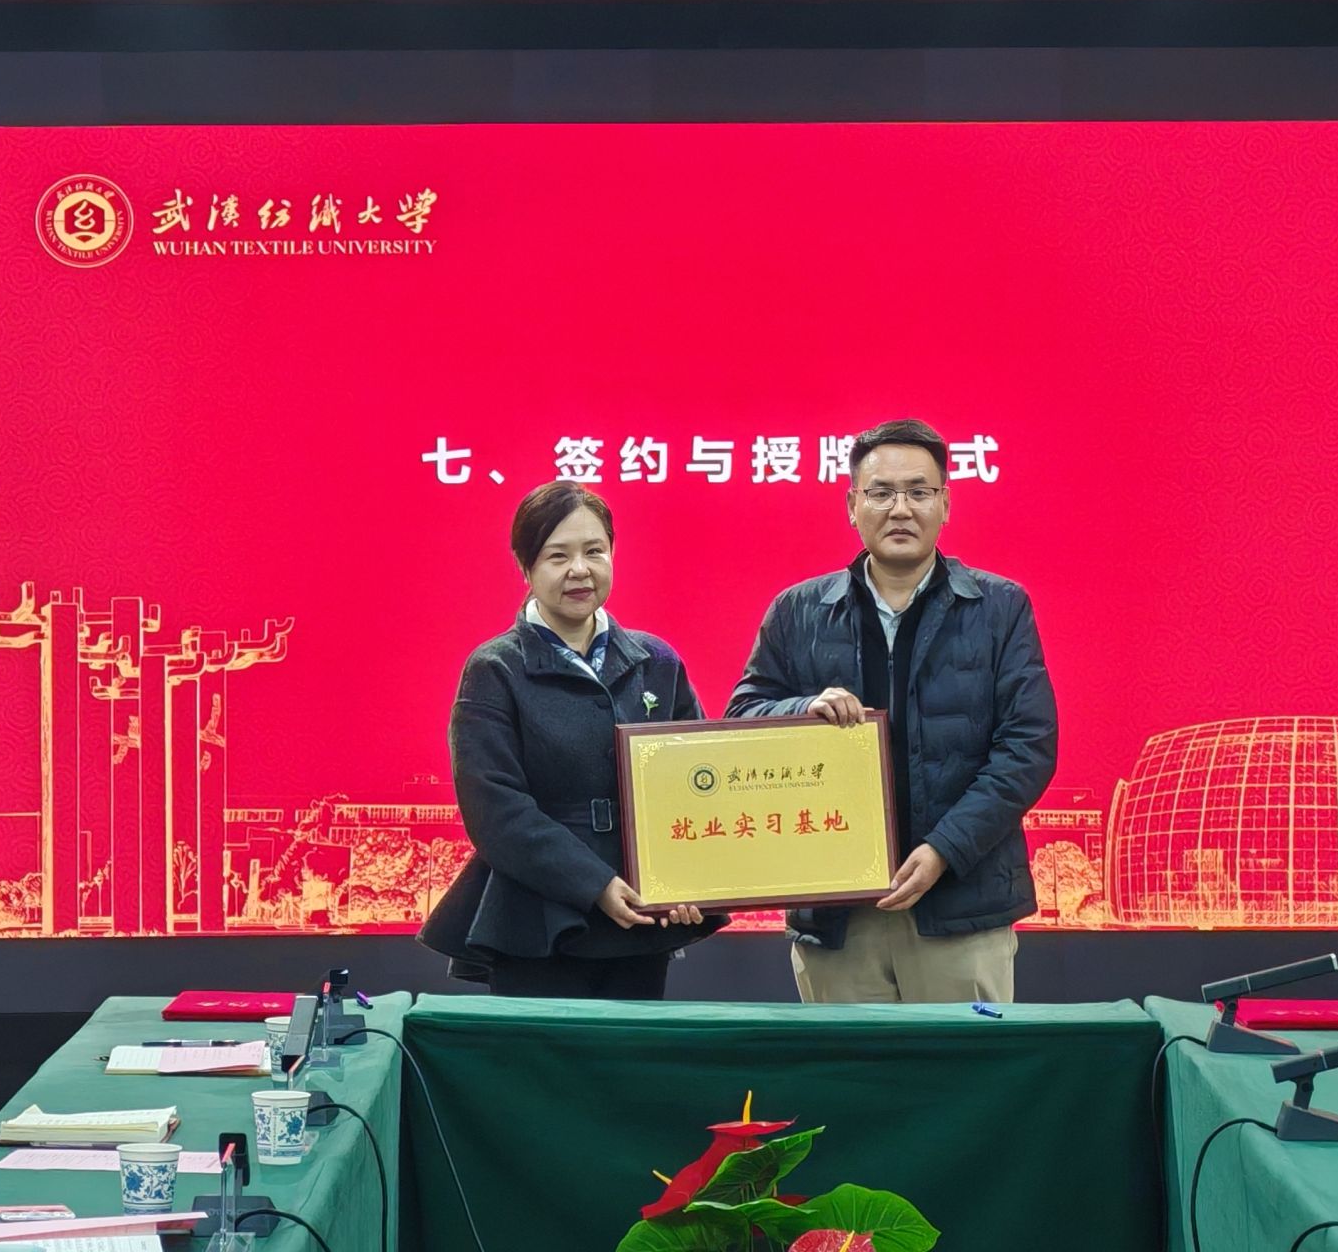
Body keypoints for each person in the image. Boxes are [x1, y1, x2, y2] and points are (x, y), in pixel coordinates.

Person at [726, 418, 1057, 1003]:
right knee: (849, 1065)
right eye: (880, 493)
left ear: (945, 504)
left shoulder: (1000, 608)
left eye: (918, 492)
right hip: (837, 916)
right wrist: (804, 707)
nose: (900, 509)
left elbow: (1028, 746)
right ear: (851, 506)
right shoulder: (797, 611)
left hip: (961, 906)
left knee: (961, 1064)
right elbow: (742, 719)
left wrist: (944, 850)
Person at [421, 481, 720, 998]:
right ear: (526, 566)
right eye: (558, 556)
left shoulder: (657, 661)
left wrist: (687, 879)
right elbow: (496, 809)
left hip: (642, 917)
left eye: (594, 551)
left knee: (634, 1050)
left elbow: (696, 783)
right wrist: (594, 884)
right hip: (536, 916)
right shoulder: (495, 669)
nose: (579, 570)